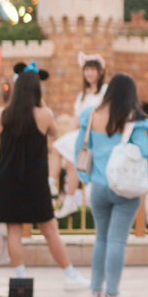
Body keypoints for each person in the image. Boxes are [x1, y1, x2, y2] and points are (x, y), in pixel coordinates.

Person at [0, 64, 88, 289]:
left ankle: (20, 277)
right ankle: (70, 275)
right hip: (34, 182)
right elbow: (54, 132)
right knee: (49, 230)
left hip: (7, 181)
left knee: (14, 230)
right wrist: (40, 101)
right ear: (37, 90)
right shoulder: (44, 114)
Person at [75, 72, 148, 297]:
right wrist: (146, 178)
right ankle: (112, 295)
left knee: (101, 239)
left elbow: (80, 148)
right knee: (116, 241)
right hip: (124, 189)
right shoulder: (134, 120)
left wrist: (86, 178)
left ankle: (95, 293)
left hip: (98, 187)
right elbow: (147, 154)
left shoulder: (91, 115)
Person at [53, 54, 107, 220]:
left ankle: (55, 188)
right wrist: (66, 139)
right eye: (86, 70)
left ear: (100, 72)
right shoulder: (82, 96)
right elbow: (76, 119)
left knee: (69, 158)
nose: (89, 73)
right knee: (68, 160)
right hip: (81, 135)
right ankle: (67, 199)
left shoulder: (105, 91)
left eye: (92, 70)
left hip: (95, 135)